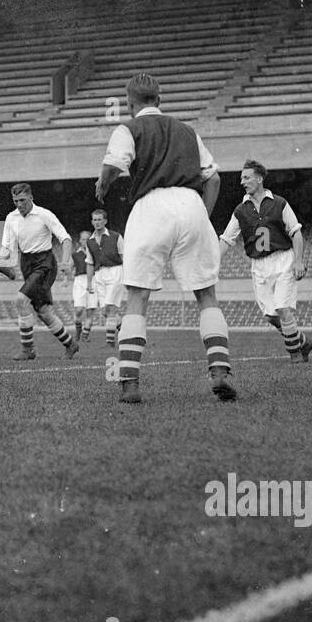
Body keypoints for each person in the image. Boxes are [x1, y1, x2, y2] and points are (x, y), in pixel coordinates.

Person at [95, 73, 235, 404]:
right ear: (159, 100)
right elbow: (213, 179)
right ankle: (219, 371)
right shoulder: (188, 131)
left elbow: (115, 163)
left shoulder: (128, 128)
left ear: (130, 104)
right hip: (191, 204)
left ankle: (129, 381)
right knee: (206, 295)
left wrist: (103, 185)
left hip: (150, 207)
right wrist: (201, 213)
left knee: (138, 297)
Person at [219, 160, 312, 364]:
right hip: (259, 266)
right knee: (271, 316)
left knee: (282, 308)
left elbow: (296, 233)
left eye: (247, 177)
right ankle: (303, 342)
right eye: (241, 178)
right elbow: (227, 239)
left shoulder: (279, 203)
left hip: (283, 260)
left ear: (259, 178)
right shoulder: (240, 210)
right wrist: (212, 264)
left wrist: (299, 261)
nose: (242, 182)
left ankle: (295, 355)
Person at [0, 183, 79, 361]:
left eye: (22, 200)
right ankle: (70, 344)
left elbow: (65, 238)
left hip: (45, 263)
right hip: (26, 263)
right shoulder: (11, 218)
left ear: (30, 198)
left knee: (21, 301)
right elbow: (7, 247)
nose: (19, 205)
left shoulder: (44, 214)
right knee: (44, 312)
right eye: (15, 201)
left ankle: (28, 350)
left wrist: (65, 261)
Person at [87, 208, 125, 348]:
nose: (97, 222)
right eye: (95, 220)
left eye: (99, 219)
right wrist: (89, 282)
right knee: (105, 311)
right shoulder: (89, 241)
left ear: (105, 221)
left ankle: (110, 344)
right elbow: (90, 263)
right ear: (92, 221)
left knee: (110, 307)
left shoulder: (116, 236)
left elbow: (123, 257)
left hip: (115, 271)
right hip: (99, 275)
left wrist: (126, 276)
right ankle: (124, 330)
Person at [70, 230, 97, 343]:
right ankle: (78, 332)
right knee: (79, 310)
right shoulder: (75, 255)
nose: (85, 241)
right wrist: (65, 280)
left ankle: (85, 336)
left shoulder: (96, 254)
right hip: (80, 281)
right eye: (83, 239)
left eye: (87, 239)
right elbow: (69, 268)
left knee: (90, 311)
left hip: (92, 280)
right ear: (80, 241)